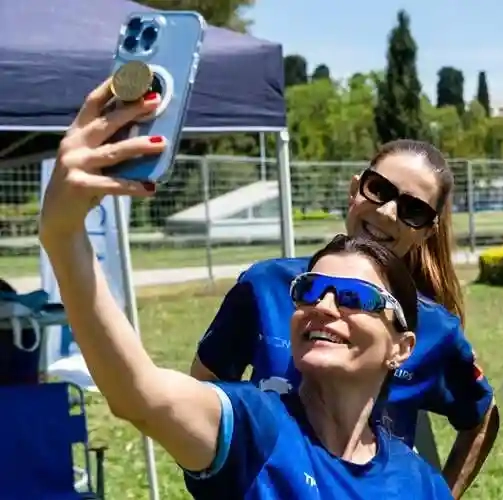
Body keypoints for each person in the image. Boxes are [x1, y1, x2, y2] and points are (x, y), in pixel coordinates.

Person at [37, 85, 454, 497]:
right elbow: (140, 393)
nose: (324, 306)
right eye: (309, 290)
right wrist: (64, 234)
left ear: (401, 348)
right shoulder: (255, 429)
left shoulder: (421, 483)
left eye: (354, 297)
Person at [191, 139, 499, 494]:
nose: (387, 213)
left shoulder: (434, 328)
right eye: (379, 189)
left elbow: (482, 417)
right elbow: (204, 389)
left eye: (413, 210)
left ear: (427, 231)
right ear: (355, 189)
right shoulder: (266, 286)